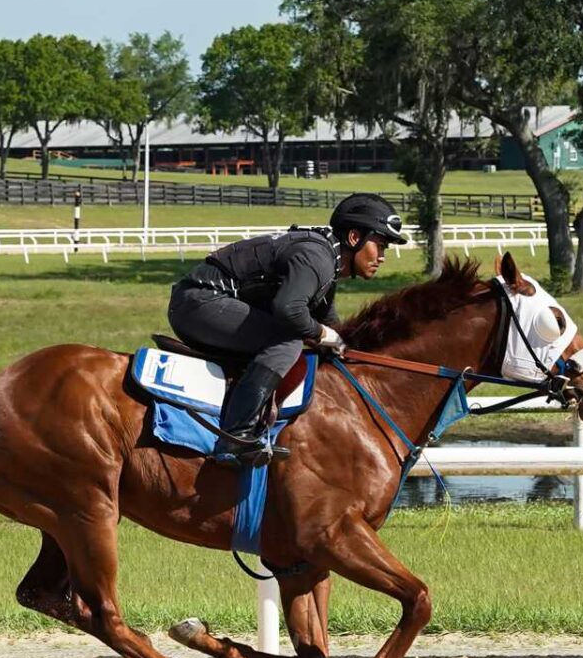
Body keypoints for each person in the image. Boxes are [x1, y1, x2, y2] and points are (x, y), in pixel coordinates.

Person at [166, 193, 408, 465]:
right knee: (286, 342)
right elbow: (289, 310)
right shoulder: (318, 257)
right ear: (354, 238)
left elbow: (331, 324)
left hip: (203, 303)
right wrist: (322, 335)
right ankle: (235, 436)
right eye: (381, 245)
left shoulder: (326, 260)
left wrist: (350, 347)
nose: (383, 257)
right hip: (198, 303)